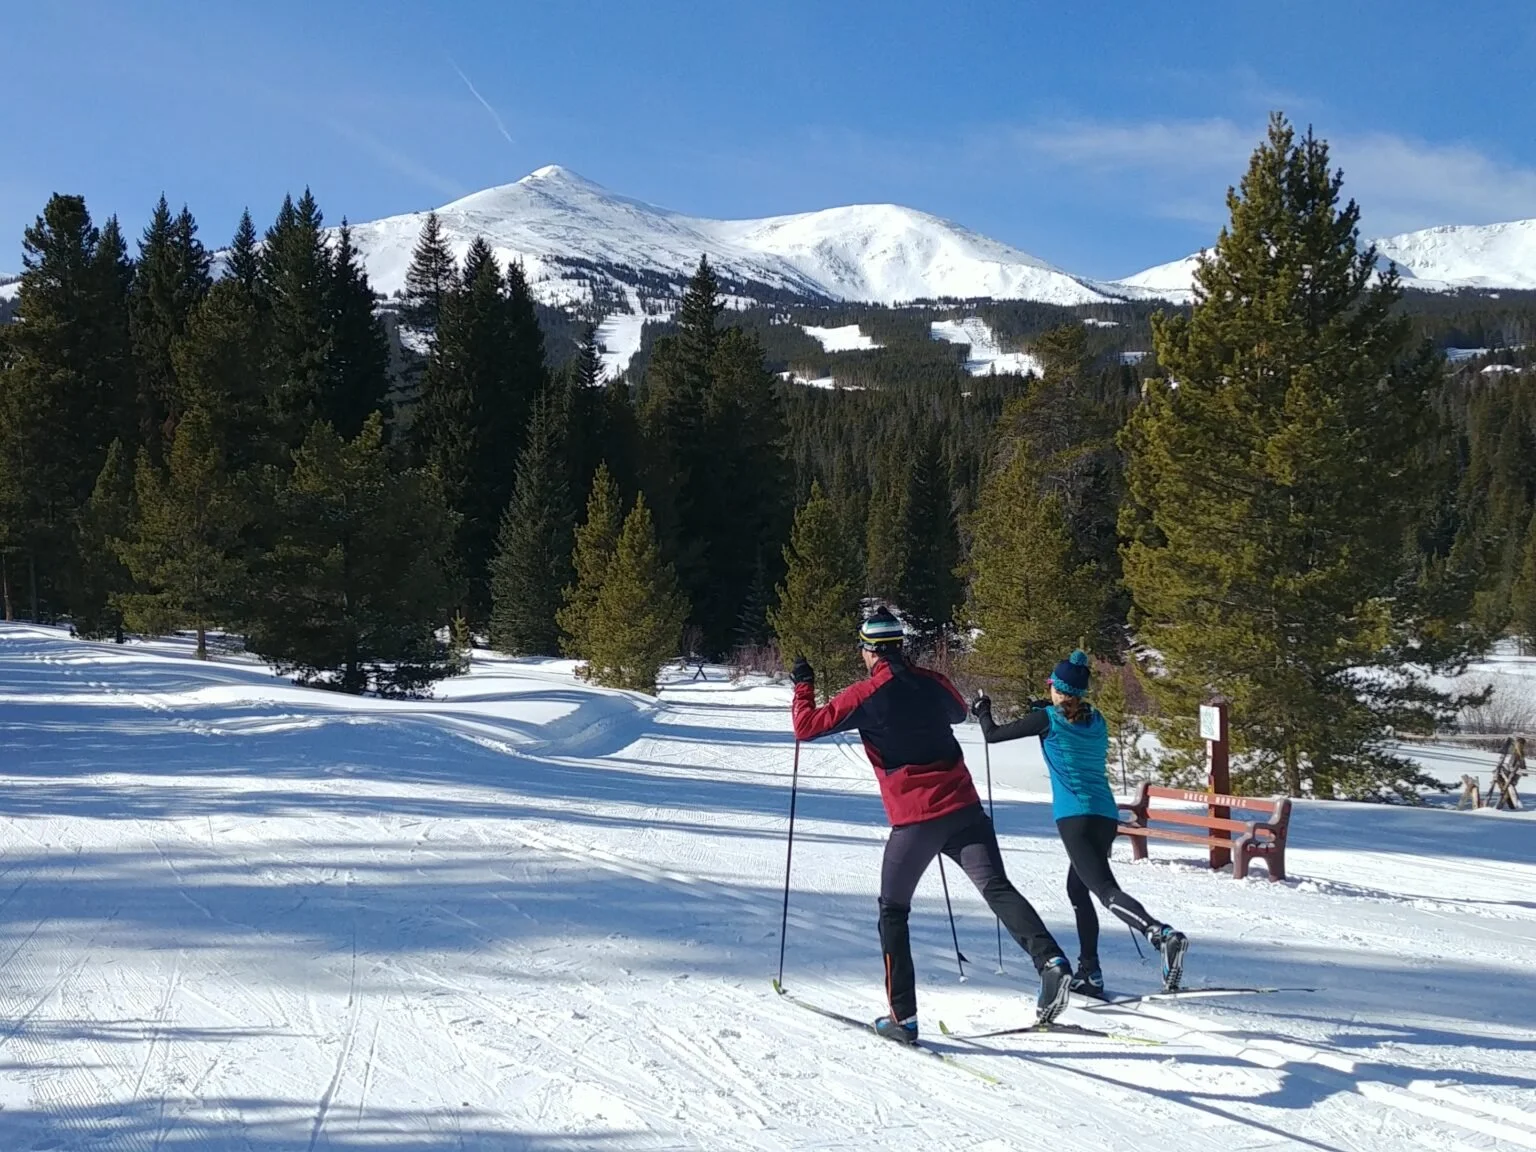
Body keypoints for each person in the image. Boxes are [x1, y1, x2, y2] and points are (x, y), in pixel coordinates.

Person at [790, 607, 1074, 1044]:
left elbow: (805, 729)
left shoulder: (865, 694)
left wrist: (803, 684)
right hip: (963, 807)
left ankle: (903, 1018)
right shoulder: (932, 682)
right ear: (900, 646)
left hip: (916, 820)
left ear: (869, 651)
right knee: (997, 888)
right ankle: (1051, 961)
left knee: (893, 911)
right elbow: (959, 713)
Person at [972, 650, 1190, 995]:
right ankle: (1091, 972)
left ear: (1057, 689)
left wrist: (983, 711)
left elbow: (993, 735)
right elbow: (1067, 717)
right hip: (1104, 815)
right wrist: (1044, 706)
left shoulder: (1049, 719)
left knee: (1103, 889)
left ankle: (1160, 934)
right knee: (1078, 888)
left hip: (1075, 816)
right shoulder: (1096, 719)